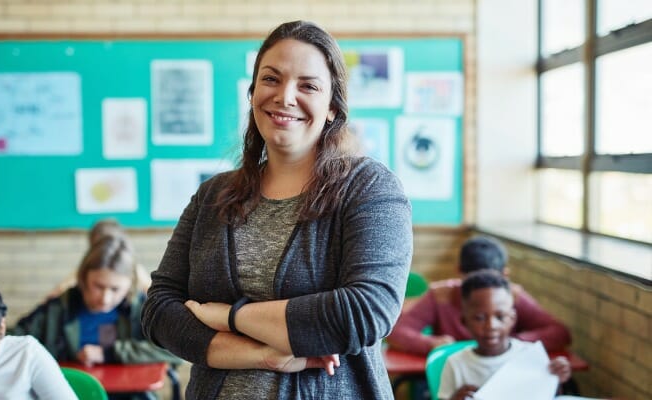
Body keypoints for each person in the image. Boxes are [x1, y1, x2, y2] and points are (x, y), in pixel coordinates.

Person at [141, 20, 413, 400]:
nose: (285, 97)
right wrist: (263, 355)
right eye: (271, 79)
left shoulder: (368, 187)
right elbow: (159, 311)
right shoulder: (212, 196)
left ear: (333, 106)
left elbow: (364, 313)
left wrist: (229, 316)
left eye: (308, 85)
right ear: (253, 92)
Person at [10, 236, 181, 399]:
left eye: (115, 289)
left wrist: (111, 354)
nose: (105, 298)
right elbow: (14, 339)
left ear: (130, 284)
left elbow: (177, 348)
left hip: (129, 395)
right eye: (98, 286)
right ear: (83, 278)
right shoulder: (58, 308)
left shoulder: (141, 310)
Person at [387, 235, 571, 355]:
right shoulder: (440, 295)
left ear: (504, 277)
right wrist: (431, 344)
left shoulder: (513, 296)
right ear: (459, 273)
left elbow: (559, 332)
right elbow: (397, 332)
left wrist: (514, 343)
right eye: (472, 284)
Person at [437, 270, 571, 400]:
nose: (491, 326)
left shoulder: (530, 356)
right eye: (479, 318)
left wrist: (556, 378)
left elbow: (547, 395)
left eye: (500, 317)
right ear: (464, 322)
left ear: (512, 318)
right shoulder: (455, 364)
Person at [46, 218, 151, 299]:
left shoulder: (134, 270)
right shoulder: (86, 271)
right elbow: (54, 295)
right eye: (99, 249)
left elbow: (153, 296)